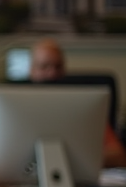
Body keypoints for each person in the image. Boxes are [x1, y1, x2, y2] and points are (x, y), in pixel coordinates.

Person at [29, 37, 126, 167]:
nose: (52, 73)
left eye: (58, 66)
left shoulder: (85, 105)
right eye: (44, 66)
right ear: (32, 70)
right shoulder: (16, 109)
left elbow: (118, 155)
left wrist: (71, 160)